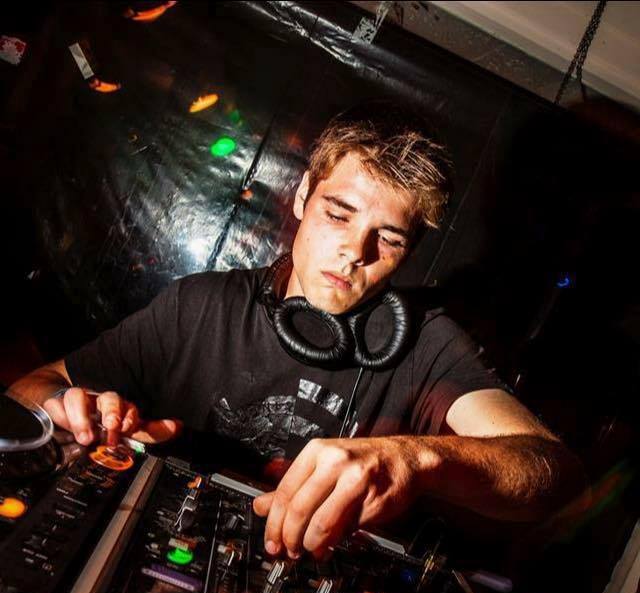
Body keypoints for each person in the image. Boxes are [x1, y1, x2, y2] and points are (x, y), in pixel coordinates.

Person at [8, 102, 585, 561]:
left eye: (389, 238)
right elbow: (32, 387)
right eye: (339, 214)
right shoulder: (200, 305)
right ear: (305, 195)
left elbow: (553, 472)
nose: (355, 251)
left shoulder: (425, 344)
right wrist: (69, 409)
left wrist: (415, 460)